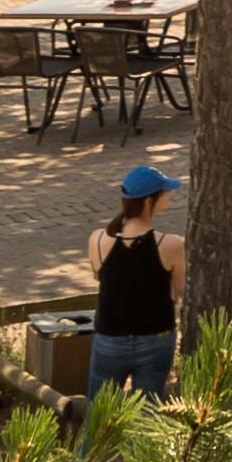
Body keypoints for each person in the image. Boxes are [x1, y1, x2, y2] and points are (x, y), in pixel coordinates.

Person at [86, 164, 184, 400]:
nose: (169, 196)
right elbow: (178, 290)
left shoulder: (99, 239)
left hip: (110, 338)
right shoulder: (170, 244)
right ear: (149, 201)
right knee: (147, 418)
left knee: (98, 417)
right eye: (164, 192)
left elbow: (99, 275)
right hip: (154, 338)